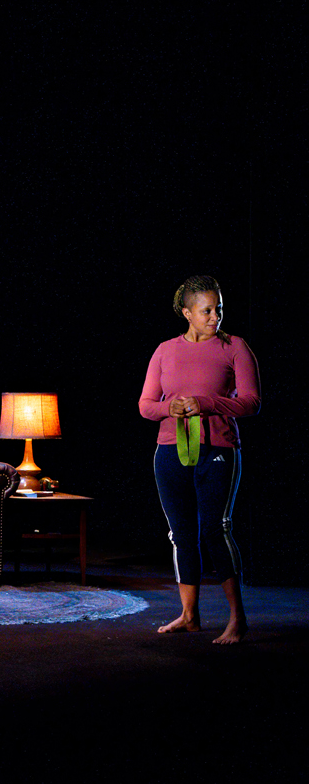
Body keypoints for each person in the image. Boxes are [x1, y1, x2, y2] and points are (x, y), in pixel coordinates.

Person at [138, 275, 261, 644]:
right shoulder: (164, 350)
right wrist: (169, 408)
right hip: (169, 450)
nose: (215, 317)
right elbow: (146, 405)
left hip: (218, 450)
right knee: (181, 534)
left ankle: (237, 619)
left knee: (215, 529)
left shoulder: (235, 347)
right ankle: (189, 616)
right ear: (187, 313)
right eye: (207, 310)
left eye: (218, 309)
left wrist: (205, 403)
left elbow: (251, 402)